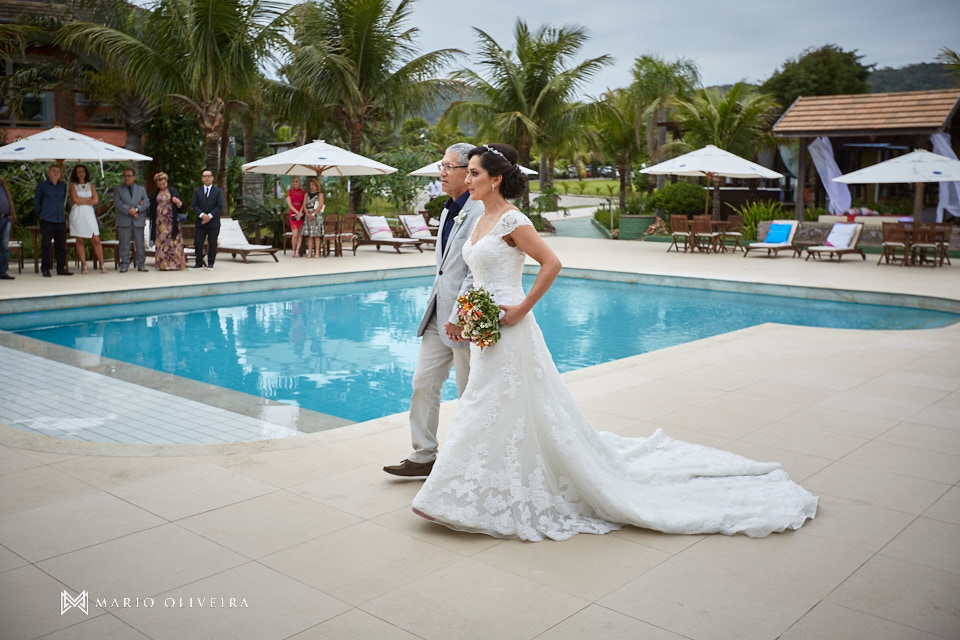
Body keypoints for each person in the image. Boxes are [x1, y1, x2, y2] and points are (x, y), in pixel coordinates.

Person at [410, 143, 818, 541]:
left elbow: (552, 264)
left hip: (510, 326)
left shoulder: (513, 221)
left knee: (487, 400)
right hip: (483, 328)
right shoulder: (479, 218)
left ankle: (456, 493)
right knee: (492, 402)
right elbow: (474, 275)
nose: (468, 177)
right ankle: (479, 484)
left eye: (475, 172)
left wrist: (521, 309)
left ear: (494, 180)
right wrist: (465, 313)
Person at [384, 142, 483, 477]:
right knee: (423, 382)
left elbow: (474, 271)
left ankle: (471, 459)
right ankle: (424, 455)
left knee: (468, 390)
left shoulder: (482, 212)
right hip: (436, 315)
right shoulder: (446, 210)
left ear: (468, 172)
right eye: (440, 166)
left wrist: (457, 316)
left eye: (447, 167)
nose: (441, 173)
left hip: (463, 320)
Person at [35, 163, 71, 277]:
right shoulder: (42, 186)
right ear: (49, 173)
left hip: (60, 219)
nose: (56, 173)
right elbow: (37, 201)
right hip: (47, 219)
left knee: (61, 245)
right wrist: (40, 214)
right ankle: (45, 268)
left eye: (58, 171)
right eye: (54, 171)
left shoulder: (62, 186)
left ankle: (61, 268)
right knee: (46, 244)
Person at [68, 164, 105, 274]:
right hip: (77, 214)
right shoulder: (72, 185)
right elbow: (74, 199)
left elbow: (95, 200)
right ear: (76, 173)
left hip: (89, 213)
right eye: (79, 171)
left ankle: (102, 264)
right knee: (80, 239)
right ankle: (84, 265)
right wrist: (87, 199)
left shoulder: (91, 185)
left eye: (83, 171)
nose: (81, 173)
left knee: (96, 239)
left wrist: (82, 201)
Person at [113, 167, 150, 273]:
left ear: (134, 177)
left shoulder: (141, 189)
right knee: (124, 243)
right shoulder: (118, 189)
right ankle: (124, 264)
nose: (127, 178)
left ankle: (141, 264)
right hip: (124, 219)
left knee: (139, 243)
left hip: (138, 220)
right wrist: (129, 211)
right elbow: (117, 203)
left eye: (129, 176)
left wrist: (137, 209)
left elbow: (147, 202)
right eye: (125, 176)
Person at [148, 172, 186, 271]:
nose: (161, 186)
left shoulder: (173, 191)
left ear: (166, 182)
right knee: (162, 242)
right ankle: (162, 265)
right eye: (159, 184)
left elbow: (181, 206)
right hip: (160, 223)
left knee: (173, 242)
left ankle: (175, 264)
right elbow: (152, 205)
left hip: (171, 222)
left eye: (163, 184)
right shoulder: (156, 193)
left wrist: (177, 202)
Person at [190, 168, 224, 270]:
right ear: (202, 178)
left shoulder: (218, 191)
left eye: (209, 176)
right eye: (205, 176)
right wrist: (202, 215)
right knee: (198, 242)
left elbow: (220, 206)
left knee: (212, 242)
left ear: (212, 178)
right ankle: (198, 263)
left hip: (213, 222)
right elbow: (194, 205)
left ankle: (210, 263)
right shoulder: (197, 191)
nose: (207, 178)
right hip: (200, 222)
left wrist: (209, 216)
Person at [300, 178, 324, 258]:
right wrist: (307, 214)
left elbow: (320, 205)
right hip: (308, 214)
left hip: (316, 215)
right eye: (310, 185)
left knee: (316, 235)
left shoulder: (320, 195)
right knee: (310, 235)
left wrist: (313, 214)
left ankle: (317, 252)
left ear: (316, 186)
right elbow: (304, 205)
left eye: (313, 185)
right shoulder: (306, 194)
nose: (311, 187)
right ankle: (309, 252)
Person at [285, 176, 306, 257]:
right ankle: (293, 250)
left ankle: (297, 250)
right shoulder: (289, 192)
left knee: (300, 233)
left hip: (301, 213)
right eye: (293, 181)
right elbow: (289, 204)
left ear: (299, 182)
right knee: (295, 234)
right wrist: (297, 213)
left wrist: (300, 212)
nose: (294, 183)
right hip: (293, 213)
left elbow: (303, 204)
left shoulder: (303, 192)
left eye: (296, 181)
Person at [0, 175, 16, 280]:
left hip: (5, 218)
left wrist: (11, 213)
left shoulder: (3, 183)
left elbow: (8, 198)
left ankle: (2, 272)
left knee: (4, 247)